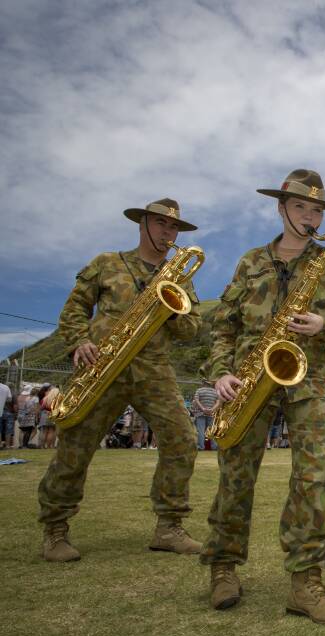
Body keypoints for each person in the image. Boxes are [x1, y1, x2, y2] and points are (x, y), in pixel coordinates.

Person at [201, 169, 325, 624]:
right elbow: (223, 326)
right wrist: (221, 373)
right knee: (235, 476)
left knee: (313, 480)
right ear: (281, 207)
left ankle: (306, 581)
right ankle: (223, 567)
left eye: (317, 210)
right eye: (301, 207)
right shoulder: (250, 262)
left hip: (310, 380)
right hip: (249, 380)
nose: (310, 217)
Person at [36, 198, 203, 564]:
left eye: (173, 227)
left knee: (182, 439)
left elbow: (192, 327)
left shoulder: (179, 277)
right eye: (160, 223)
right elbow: (75, 307)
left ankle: (169, 527)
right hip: (102, 365)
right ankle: (55, 528)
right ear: (142, 224)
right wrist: (79, 340)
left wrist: (173, 313)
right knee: (76, 445)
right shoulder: (107, 262)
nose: (167, 231)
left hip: (153, 368)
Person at [192, 381, 219, 451]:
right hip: (211, 414)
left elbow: (196, 400)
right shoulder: (215, 392)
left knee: (200, 430)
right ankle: (214, 446)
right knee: (212, 430)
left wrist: (202, 408)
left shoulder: (199, 390)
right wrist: (212, 409)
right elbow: (218, 402)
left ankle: (201, 447)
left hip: (200, 413)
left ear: (203, 384)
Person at [0, 381, 13, 449]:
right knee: (6, 429)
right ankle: (5, 445)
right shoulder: (5, 387)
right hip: (2, 411)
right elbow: (9, 399)